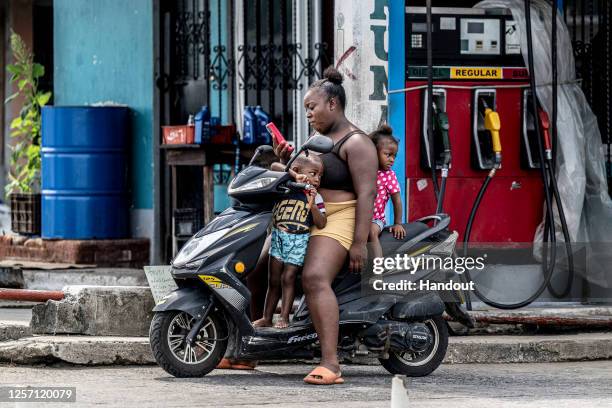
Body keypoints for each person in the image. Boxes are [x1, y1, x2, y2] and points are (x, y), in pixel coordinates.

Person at [274, 66, 378, 385]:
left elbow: (367, 194)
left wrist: (358, 242)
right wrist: (285, 160)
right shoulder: (317, 138)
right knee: (264, 263)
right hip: (310, 211)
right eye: (306, 108)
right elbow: (298, 171)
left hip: (342, 214)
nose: (308, 113)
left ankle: (331, 363)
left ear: (332, 104)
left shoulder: (356, 142)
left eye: (312, 107)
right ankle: (243, 348)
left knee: (315, 277)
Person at [253, 154, 327, 329]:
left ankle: (284, 317)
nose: (317, 179)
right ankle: (266, 317)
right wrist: (294, 176)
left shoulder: (315, 197)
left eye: (320, 176)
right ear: (297, 171)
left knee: (288, 278)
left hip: (299, 240)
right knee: (273, 280)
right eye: (313, 173)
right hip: (278, 236)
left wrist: (313, 205)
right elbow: (274, 166)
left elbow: (322, 223)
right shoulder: (286, 186)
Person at [368, 124, 406, 260]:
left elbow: (397, 200)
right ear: (373, 151)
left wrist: (398, 223)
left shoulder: (389, 175)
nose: (392, 159)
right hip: (359, 217)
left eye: (394, 156)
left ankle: (377, 270)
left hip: (376, 219)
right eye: (388, 155)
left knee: (372, 232)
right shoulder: (364, 170)